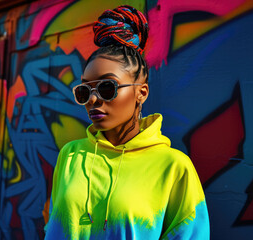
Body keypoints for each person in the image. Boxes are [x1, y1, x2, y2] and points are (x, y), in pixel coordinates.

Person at [44, 5, 210, 240]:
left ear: (141, 93)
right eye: (84, 91)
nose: (92, 99)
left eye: (107, 87)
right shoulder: (70, 156)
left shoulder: (174, 167)